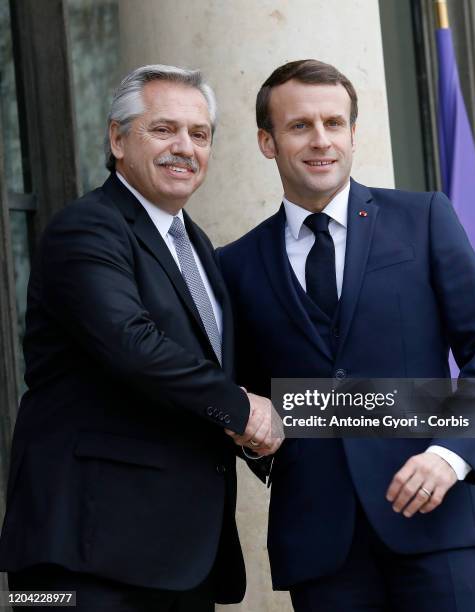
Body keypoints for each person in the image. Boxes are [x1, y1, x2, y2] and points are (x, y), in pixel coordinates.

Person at [218, 59, 475, 611]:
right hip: (321, 545)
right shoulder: (233, 265)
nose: (320, 140)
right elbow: (241, 394)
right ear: (267, 141)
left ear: (354, 134)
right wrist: (255, 437)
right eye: (299, 126)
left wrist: (451, 455)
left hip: (438, 525)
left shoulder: (424, 218)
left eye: (334, 123)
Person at [0, 64, 281, 611]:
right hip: (82, 560)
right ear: (117, 139)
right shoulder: (88, 227)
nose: (185, 147)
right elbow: (133, 345)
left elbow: (219, 368)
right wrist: (243, 411)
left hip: (177, 557)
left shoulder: (194, 244)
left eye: (199, 134)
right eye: (163, 129)